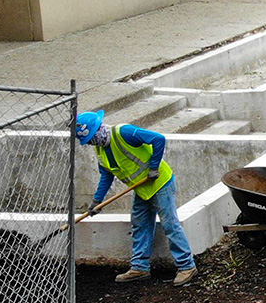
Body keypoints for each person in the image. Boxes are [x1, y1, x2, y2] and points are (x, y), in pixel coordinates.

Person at [75, 110, 197, 286]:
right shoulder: (100, 149)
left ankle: (187, 266)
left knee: (170, 224)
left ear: (98, 130)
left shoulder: (124, 132)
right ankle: (139, 267)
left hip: (160, 183)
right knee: (139, 223)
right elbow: (106, 175)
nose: (90, 143)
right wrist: (97, 201)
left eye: (91, 139)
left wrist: (154, 166)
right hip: (141, 188)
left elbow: (158, 139)